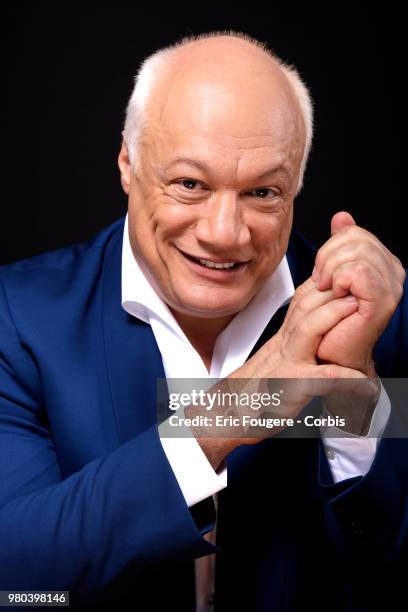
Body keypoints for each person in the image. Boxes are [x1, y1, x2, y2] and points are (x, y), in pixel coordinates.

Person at [0, 31, 406, 611]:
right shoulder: (16, 319)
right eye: (190, 184)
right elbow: (15, 580)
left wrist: (352, 388)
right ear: (127, 163)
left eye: (262, 191)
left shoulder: (380, 317)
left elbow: (382, 571)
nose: (224, 232)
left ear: (295, 187)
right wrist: (237, 408)